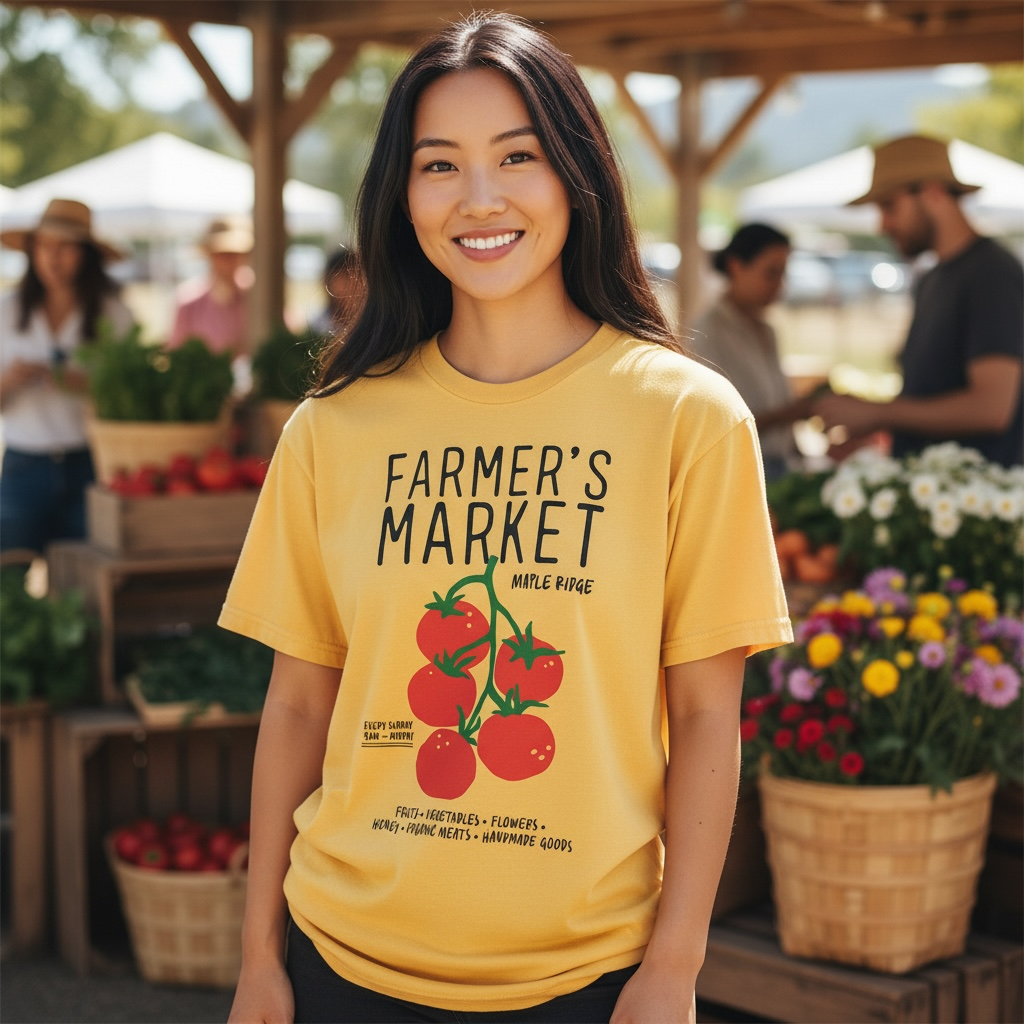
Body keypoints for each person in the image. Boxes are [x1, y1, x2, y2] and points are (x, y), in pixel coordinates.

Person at [220, 14, 792, 1024]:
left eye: (516, 156)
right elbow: (300, 706)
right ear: (401, 195)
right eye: (438, 165)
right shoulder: (333, 427)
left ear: (576, 172)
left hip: (587, 983)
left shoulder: (688, 419)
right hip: (339, 965)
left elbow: (708, 715)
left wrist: (673, 968)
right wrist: (259, 957)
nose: (478, 199)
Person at [816, 135, 1023, 466]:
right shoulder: (932, 279)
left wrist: (880, 412)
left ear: (933, 192)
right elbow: (930, 394)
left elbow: (991, 408)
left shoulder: (991, 273)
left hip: (976, 506)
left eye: (889, 206)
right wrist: (875, 426)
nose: (882, 224)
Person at [0, 198, 134, 553]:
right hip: (23, 464)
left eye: (65, 246)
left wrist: (86, 384)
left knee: (83, 580)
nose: (52, 257)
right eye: (43, 245)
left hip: (88, 464)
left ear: (86, 254)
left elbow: (130, 398)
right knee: (10, 577)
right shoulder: (6, 312)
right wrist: (10, 380)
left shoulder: (114, 315)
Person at [690, 224, 816, 481]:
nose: (780, 285)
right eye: (771, 273)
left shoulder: (766, 330)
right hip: (736, 474)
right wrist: (790, 413)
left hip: (777, 469)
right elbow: (715, 430)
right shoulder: (706, 333)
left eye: (783, 274)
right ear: (736, 267)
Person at [169, 215, 253, 355]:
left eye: (235, 253)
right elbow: (176, 353)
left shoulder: (259, 299)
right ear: (210, 255)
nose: (229, 260)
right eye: (222, 254)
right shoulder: (189, 303)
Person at [308, 247, 362, 338]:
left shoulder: (370, 323)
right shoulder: (316, 327)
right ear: (328, 282)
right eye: (344, 277)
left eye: (356, 278)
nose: (351, 286)